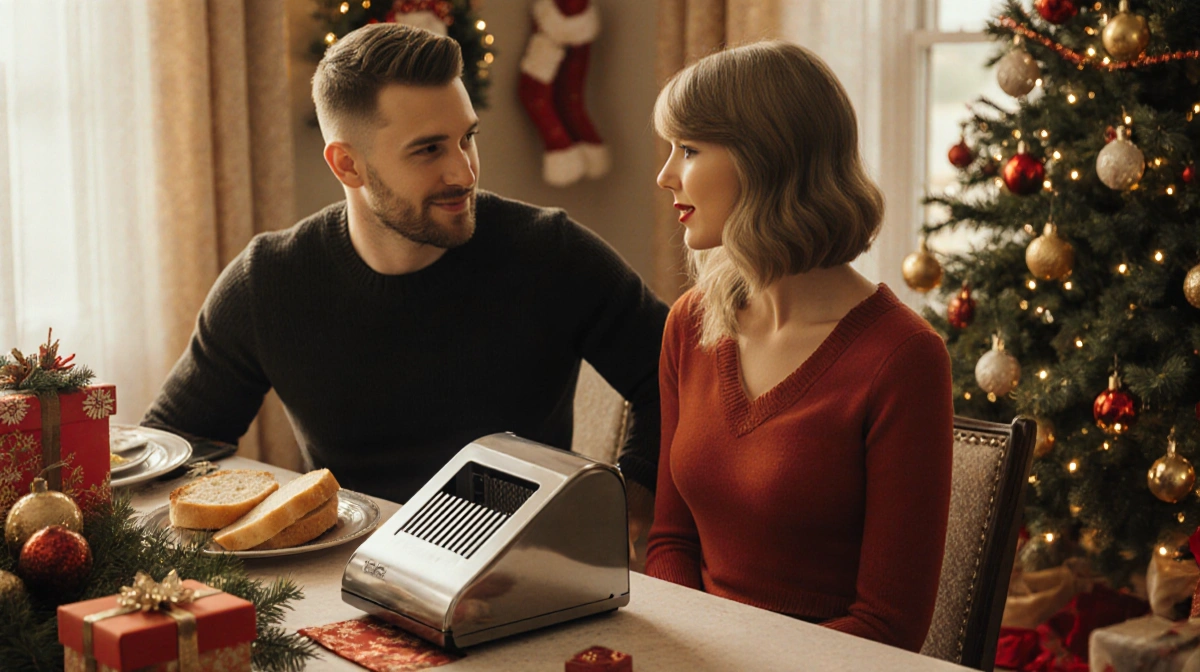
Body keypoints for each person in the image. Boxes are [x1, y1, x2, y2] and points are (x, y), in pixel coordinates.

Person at [142, 23, 666, 546]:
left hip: (520, 577)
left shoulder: (551, 252)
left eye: (467, 138)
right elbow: (174, 446)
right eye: (429, 150)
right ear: (348, 164)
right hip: (343, 577)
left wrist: (628, 507)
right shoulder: (269, 281)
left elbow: (679, 376)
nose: (463, 173)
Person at [645, 41, 954, 652]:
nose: (665, 175)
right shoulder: (691, 324)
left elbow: (888, 628)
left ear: (765, 159)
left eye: (689, 149)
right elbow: (669, 543)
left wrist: (725, 663)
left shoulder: (905, 359)